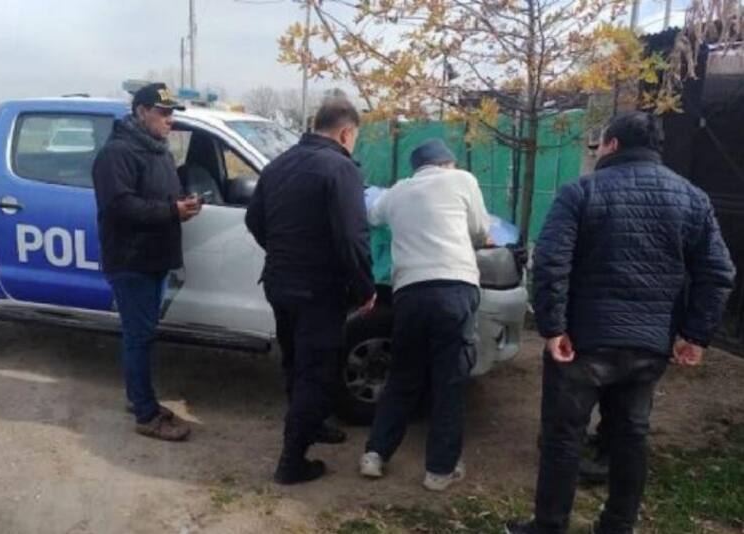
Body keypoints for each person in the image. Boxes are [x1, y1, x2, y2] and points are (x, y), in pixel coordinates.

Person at [506, 112, 736, 534]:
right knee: (631, 435)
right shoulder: (692, 198)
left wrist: (553, 328)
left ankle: (549, 526)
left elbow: (551, 262)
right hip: (648, 346)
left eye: (599, 145)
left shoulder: (580, 192)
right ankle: (617, 525)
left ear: (612, 144)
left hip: (581, 344)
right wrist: (695, 335)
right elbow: (718, 272)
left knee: (563, 437)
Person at [245, 96, 376, 485]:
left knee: (295, 363)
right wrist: (365, 286)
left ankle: (312, 424)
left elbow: (254, 220)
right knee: (315, 372)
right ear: (346, 132)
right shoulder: (340, 168)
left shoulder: (278, 165)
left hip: (279, 282)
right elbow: (352, 237)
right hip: (318, 290)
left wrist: (282, 250)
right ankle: (292, 462)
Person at [358, 139, 491, 491]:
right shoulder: (463, 180)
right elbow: (479, 230)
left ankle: (375, 454)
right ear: (447, 163)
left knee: (403, 376)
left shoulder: (398, 191)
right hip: (455, 288)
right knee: (448, 381)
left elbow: (372, 216)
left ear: (417, 167)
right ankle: (439, 471)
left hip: (410, 292)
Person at [92, 83, 203, 442]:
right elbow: (120, 206)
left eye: (172, 113)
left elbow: (160, 197)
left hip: (154, 258)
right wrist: (171, 210)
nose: (170, 120)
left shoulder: (158, 150)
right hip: (131, 259)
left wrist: (183, 204)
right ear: (141, 112)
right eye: (163, 112)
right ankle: (146, 414)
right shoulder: (117, 154)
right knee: (139, 336)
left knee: (142, 334)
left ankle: (138, 396)